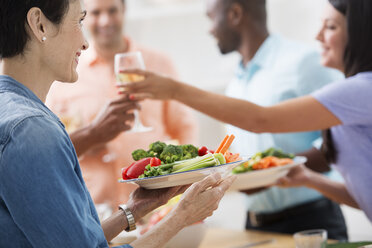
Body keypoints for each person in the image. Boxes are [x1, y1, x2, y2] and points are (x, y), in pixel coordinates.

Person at [0, 1, 235, 247]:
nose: (85, 42)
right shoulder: (31, 129)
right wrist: (182, 216)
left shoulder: (13, 112)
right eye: (79, 21)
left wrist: (133, 210)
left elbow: (78, 241)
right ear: (39, 25)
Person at [122, 0, 372, 222]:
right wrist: (306, 178)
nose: (317, 35)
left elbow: (259, 119)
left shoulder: (359, 89)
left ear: (358, 34)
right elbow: (364, 196)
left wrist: (174, 90)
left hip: (309, 214)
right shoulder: (239, 79)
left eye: (330, 26)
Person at [204, 0, 347, 239]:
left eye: (211, 18)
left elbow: (341, 138)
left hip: (310, 218)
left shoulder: (303, 63)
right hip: (255, 224)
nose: (209, 29)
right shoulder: (236, 82)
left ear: (235, 14)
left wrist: (273, 172)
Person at [46, 0, 198, 209]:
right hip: (94, 210)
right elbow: (54, 149)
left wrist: (185, 189)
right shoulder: (65, 75)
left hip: (154, 205)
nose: (105, 20)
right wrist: (89, 138)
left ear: (124, 11)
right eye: (96, 13)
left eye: (112, 11)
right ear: (83, 17)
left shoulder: (159, 63)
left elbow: (185, 129)